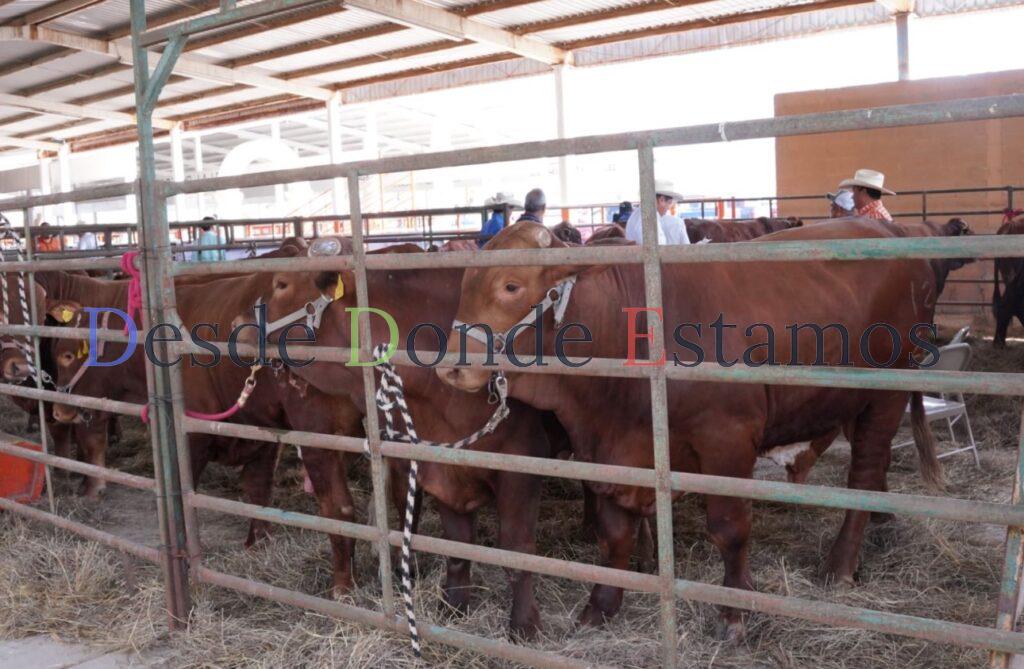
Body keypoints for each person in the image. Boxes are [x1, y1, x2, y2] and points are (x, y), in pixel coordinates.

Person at [624, 179, 688, 245]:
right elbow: (656, 249)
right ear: (661, 200)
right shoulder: (649, 218)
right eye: (669, 203)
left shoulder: (637, 214)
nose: (668, 208)